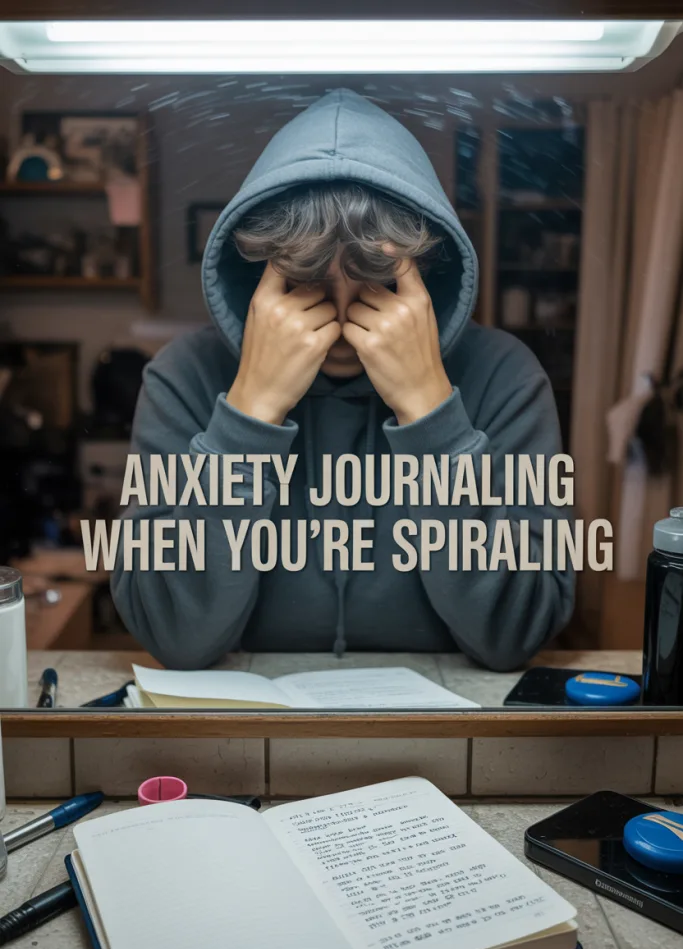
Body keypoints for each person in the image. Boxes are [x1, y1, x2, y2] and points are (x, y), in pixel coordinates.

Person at [111, 88, 575, 671]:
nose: (341, 323)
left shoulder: (505, 377)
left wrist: (432, 414)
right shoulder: (184, 377)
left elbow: (518, 632)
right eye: (306, 286)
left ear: (425, 275)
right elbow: (171, 634)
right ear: (259, 277)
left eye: (375, 287)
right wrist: (248, 414)